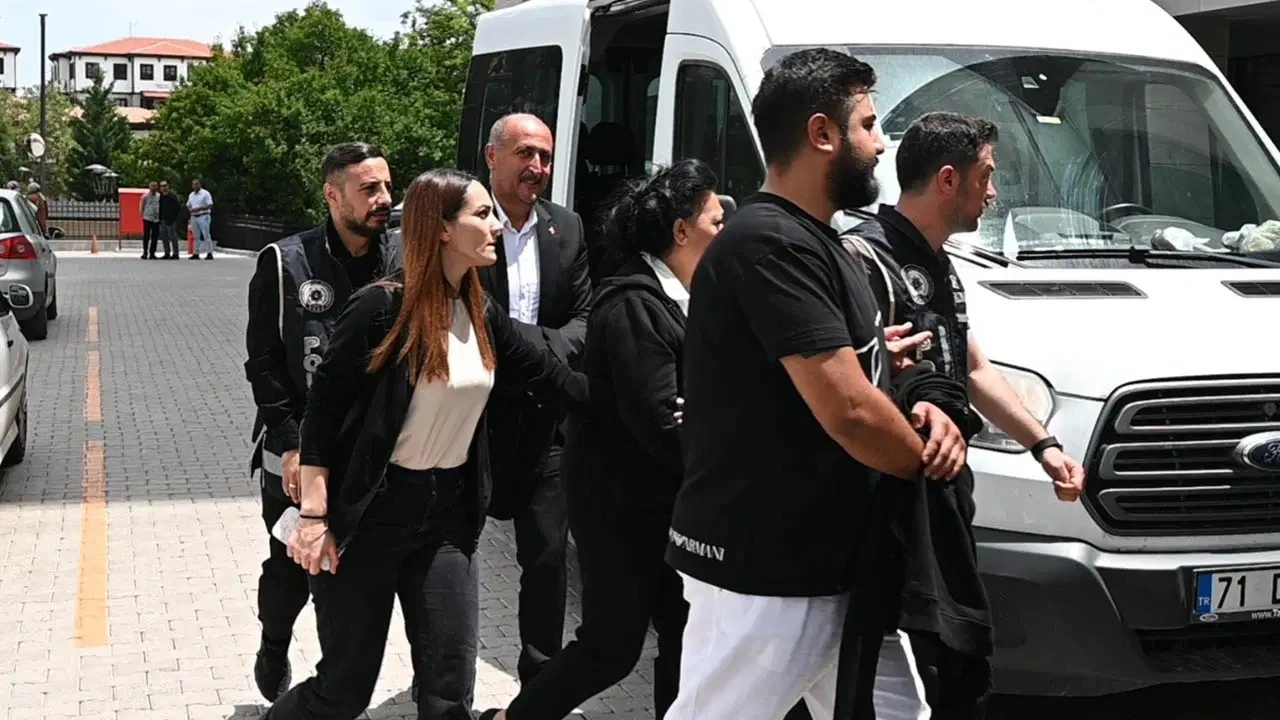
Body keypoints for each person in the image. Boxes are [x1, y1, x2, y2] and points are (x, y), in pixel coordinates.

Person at [662, 48, 967, 720]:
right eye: (868, 125)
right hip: (766, 573)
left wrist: (904, 383)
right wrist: (933, 467)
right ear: (822, 134)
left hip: (833, 564)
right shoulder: (770, 243)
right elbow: (850, 411)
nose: (881, 144)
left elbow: (845, 373)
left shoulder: (819, 241)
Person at [263, 168, 588, 720]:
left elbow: (556, 381)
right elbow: (322, 413)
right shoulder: (380, 308)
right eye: (481, 215)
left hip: (447, 521)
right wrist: (314, 517)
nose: (496, 227)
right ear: (440, 228)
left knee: (448, 692)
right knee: (343, 692)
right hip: (370, 519)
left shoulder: (481, 310)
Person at [839, 111, 1087, 719]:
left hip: (945, 501)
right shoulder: (864, 258)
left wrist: (1044, 445)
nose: (993, 192)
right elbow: (848, 385)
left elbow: (972, 368)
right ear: (948, 180)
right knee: (921, 674)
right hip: (890, 512)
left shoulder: (942, 264)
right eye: (986, 175)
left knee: (960, 670)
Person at [478, 159, 724, 720]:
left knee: (685, 634)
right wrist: (716, 428)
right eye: (715, 221)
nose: (725, 231)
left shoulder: (684, 297)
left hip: (666, 506)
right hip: (621, 511)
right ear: (680, 230)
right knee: (611, 647)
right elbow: (661, 422)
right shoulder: (635, 304)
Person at [244, 142, 401, 703]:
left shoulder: (403, 257)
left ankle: (334, 688)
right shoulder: (285, 262)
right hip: (294, 450)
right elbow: (264, 364)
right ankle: (274, 641)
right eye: (369, 189)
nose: (385, 199)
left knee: (349, 571)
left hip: (375, 452)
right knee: (290, 570)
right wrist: (291, 444)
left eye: (387, 186)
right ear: (333, 196)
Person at [478, 112, 591, 684]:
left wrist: (530, 351)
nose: (538, 167)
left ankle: (538, 688)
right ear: (493, 156)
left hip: (547, 423)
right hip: (473, 426)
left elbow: (585, 318)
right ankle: (440, 680)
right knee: (446, 557)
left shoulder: (566, 227)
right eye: (525, 153)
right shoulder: (467, 224)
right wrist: (534, 349)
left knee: (546, 559)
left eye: (545, 156)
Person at [187, 178, 215, 259]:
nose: (195, 186)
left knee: (206, 234)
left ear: (200, 185)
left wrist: (199, 208)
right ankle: (196, 253)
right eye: (193, 184)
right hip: (194, 216)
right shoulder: (191, 195)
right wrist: (190, 209)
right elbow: (188, 204)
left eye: (196, 184)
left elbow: (210, 204)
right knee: (196, 236)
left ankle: (209, 252)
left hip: (203, 215)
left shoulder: (205, 193)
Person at [158, 181, 182, 259]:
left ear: (168, 186)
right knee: (164, 237)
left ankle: (175, 254)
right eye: (161, 186)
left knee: (173, 237)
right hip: (162, 220)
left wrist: (174, 218)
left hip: (171, 221)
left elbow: (177, 208)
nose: (163, 188)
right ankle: (167, 253)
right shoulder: (160, 197)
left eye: (165, 186)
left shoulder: (172, 197)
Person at [141, 181, 162, 259]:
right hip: (147, 218)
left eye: (155, 186)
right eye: (152, 186)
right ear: (149, 187)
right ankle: (145, 252)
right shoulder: (145, 196)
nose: (153, 188)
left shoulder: (159, 196)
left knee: (155, 236)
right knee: (146, 236)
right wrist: (142, 215)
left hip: (156, 219)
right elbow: (142, 207)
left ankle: (152, 253)